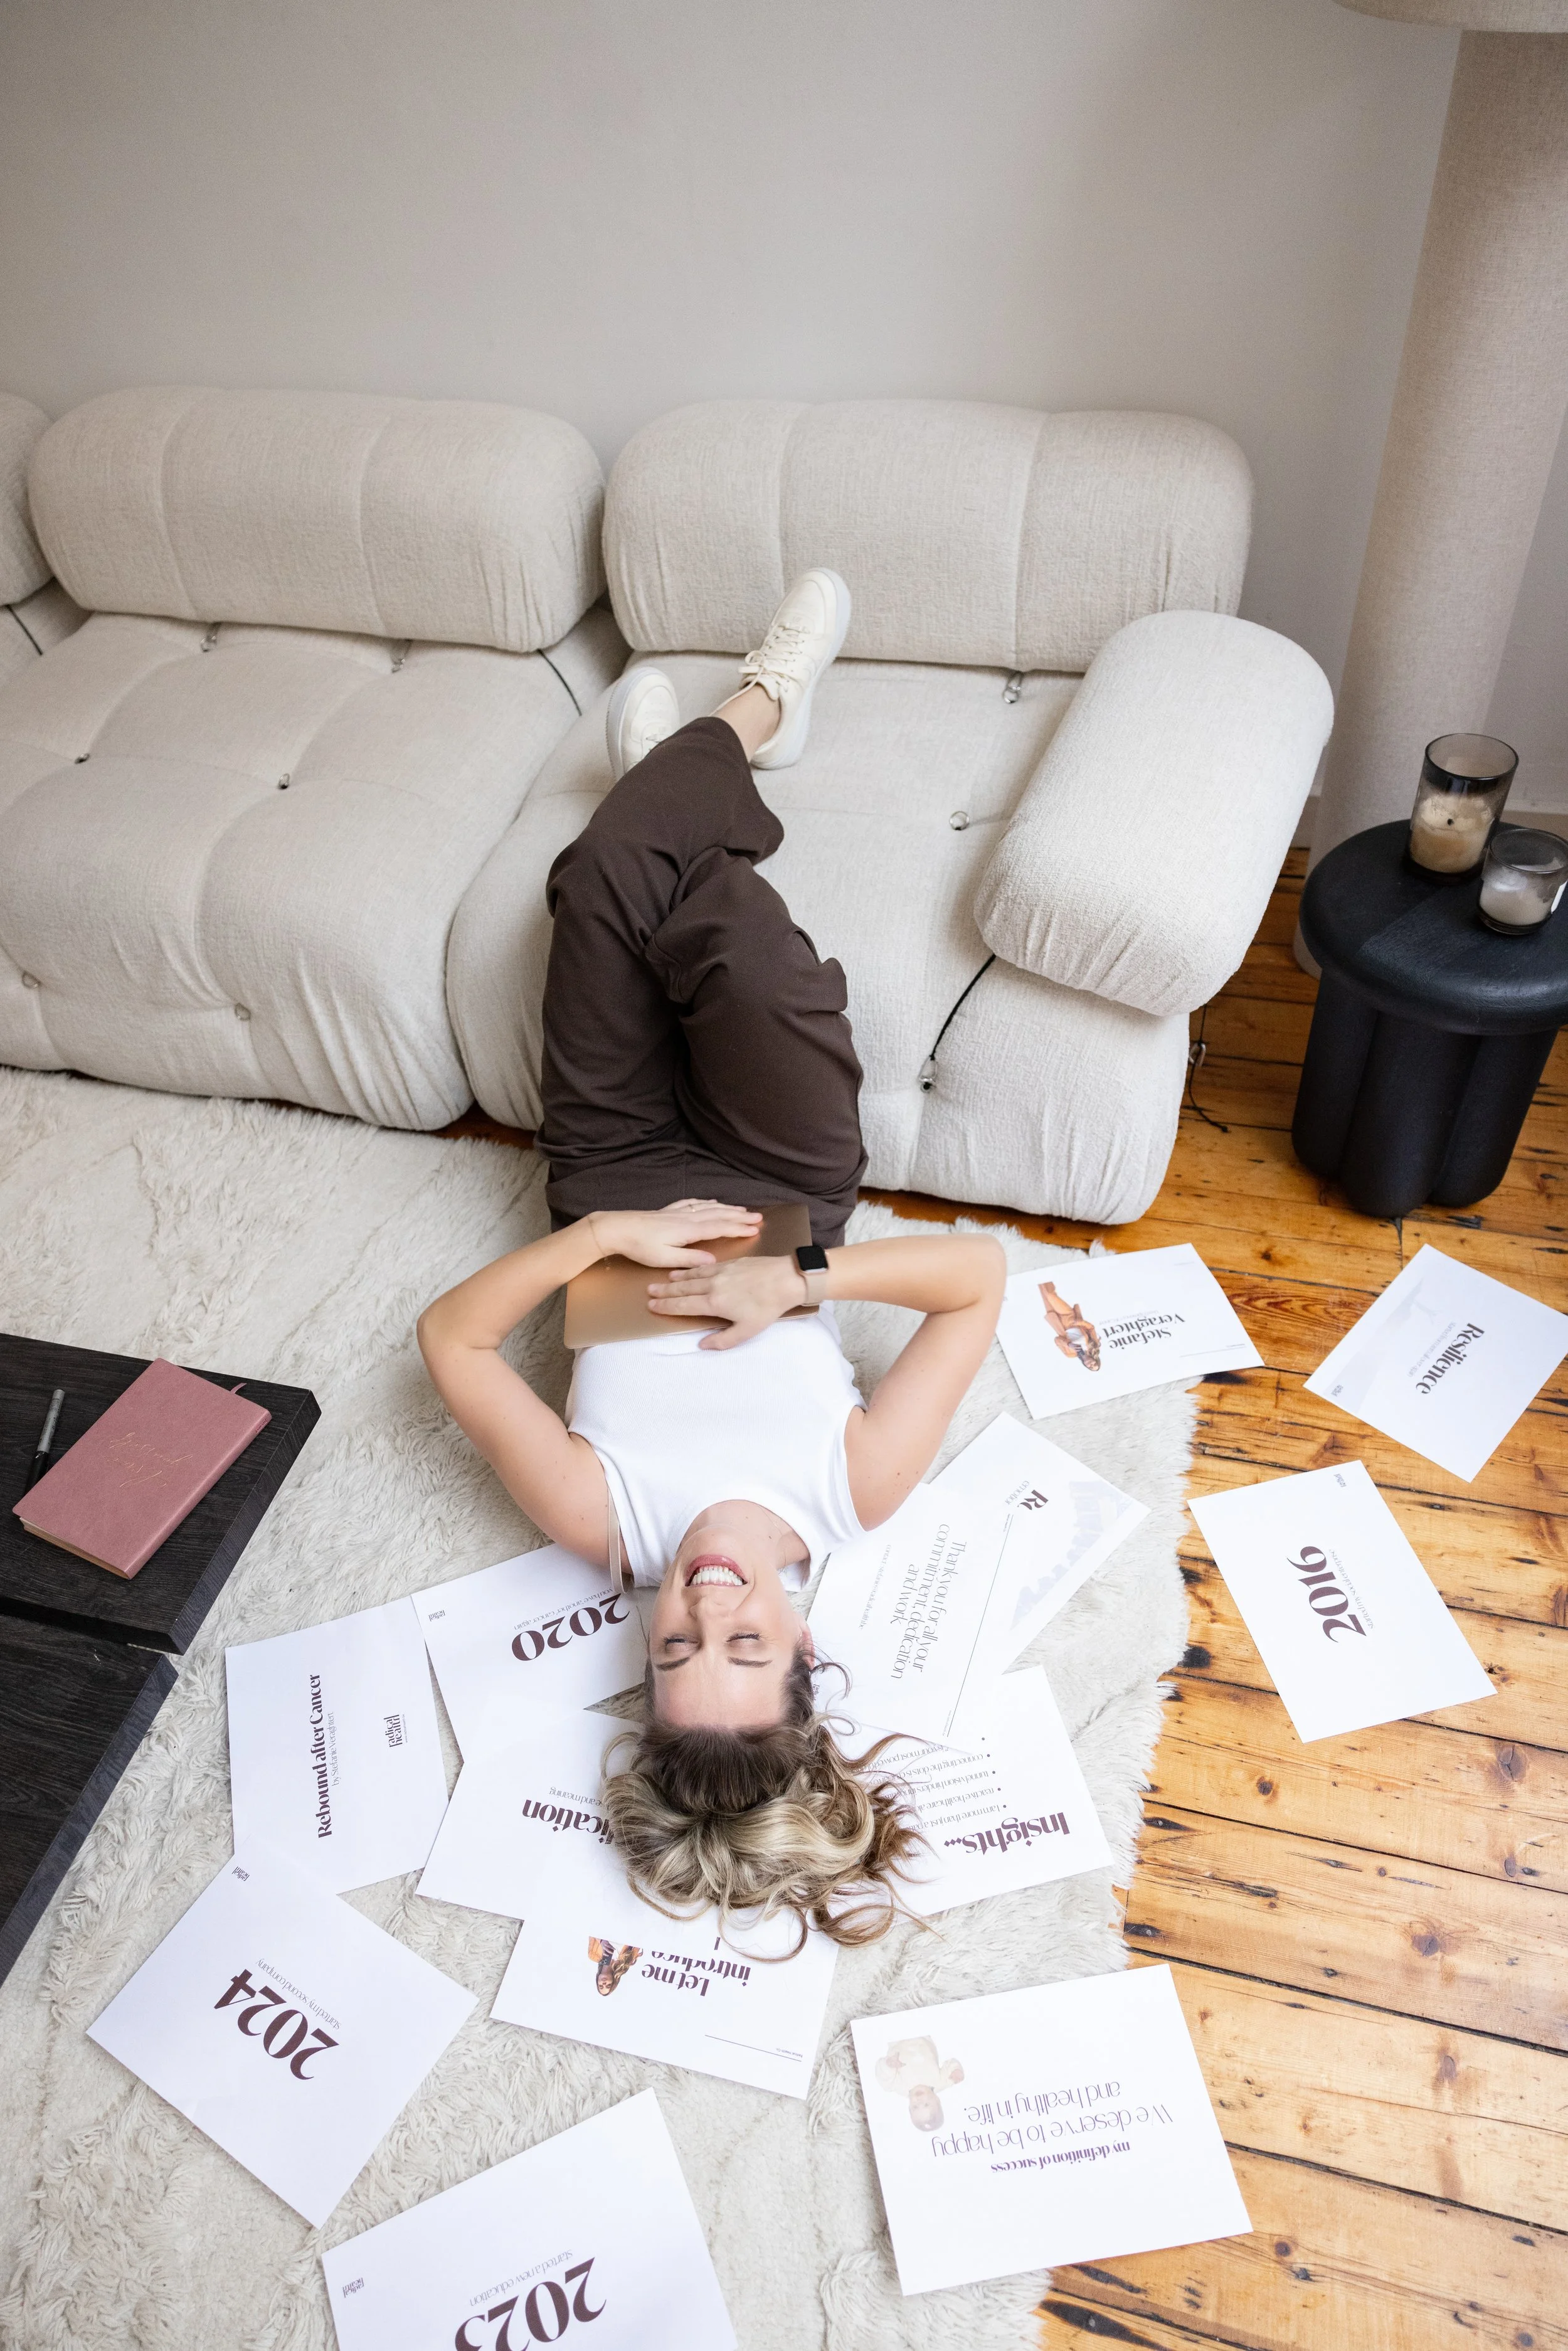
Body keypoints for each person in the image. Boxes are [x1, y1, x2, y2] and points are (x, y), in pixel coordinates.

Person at [418, 569, 1005, 1948]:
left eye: (674, 1646)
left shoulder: (597, 1522)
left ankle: (704, 752)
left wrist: (600, 1236)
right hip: (779, 1191)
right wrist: (793, 1282)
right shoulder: (848, 1491)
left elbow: (449, 1342)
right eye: (743, 1644)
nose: (704, 1600)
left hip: (614, 1173)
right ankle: (740, 729)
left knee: (607, 879)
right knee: (736, 949)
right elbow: (974, 1281)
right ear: (805, 1651)